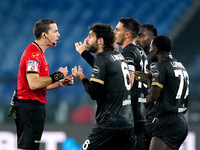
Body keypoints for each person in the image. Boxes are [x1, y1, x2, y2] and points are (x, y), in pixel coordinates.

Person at [75, 18, 147, 149]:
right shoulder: (119, 57)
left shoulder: (103, 58)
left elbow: (94, 92)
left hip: (110, 123)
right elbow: (108, 71)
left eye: (90, 36)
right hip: (128, 123)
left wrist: (83, 79)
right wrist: (83, 53)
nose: (86, 40)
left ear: (100, 41)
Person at [15, 19, 74, 150]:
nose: (58, 35)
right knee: (26, 147)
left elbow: (41, 85)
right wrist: (58, 75)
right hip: (29, 107)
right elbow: (34, 84)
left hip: (33, 107)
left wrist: (61, 83)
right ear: (44, 35)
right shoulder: (34, 54)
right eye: (55, 31)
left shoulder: (39, 54)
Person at [136, 35, 189, 150]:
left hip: (167, 121)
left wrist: (135, 105)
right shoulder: (180, 66)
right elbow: (169, 88)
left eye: (151, 48)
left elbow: (153, 96)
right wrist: (150, 80)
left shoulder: (160, 66)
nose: (149, 51)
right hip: (180, 120)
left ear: (155, 50)